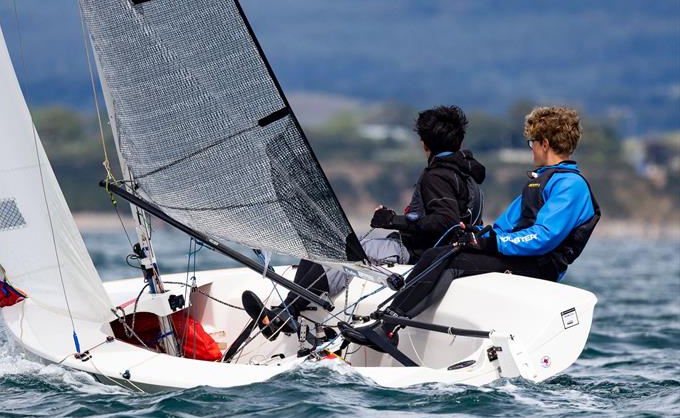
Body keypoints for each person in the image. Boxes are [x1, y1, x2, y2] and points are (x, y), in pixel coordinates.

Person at [342, 106, 601, 358]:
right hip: (522, 256)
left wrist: (490, 243)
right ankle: (388, 323)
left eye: (532, 142)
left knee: (451, 261)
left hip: (540, 265)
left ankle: (388, 328)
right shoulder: (542, 180)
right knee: (439, 253)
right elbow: (501, 228)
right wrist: (474, 234)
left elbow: (543, 237)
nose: (531, 148)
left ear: (544, 143)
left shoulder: (571, 185)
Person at [248, 105, 486, 340]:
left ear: (424, 143)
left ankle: (285, 314)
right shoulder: (466, 175)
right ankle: (288, 310)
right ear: (459, 140)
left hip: (416, 254)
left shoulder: (438, 175)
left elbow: (444, 222)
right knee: (328, 247)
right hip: (426, 249)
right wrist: (397, 221)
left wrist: (392, 220)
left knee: (344, 251)